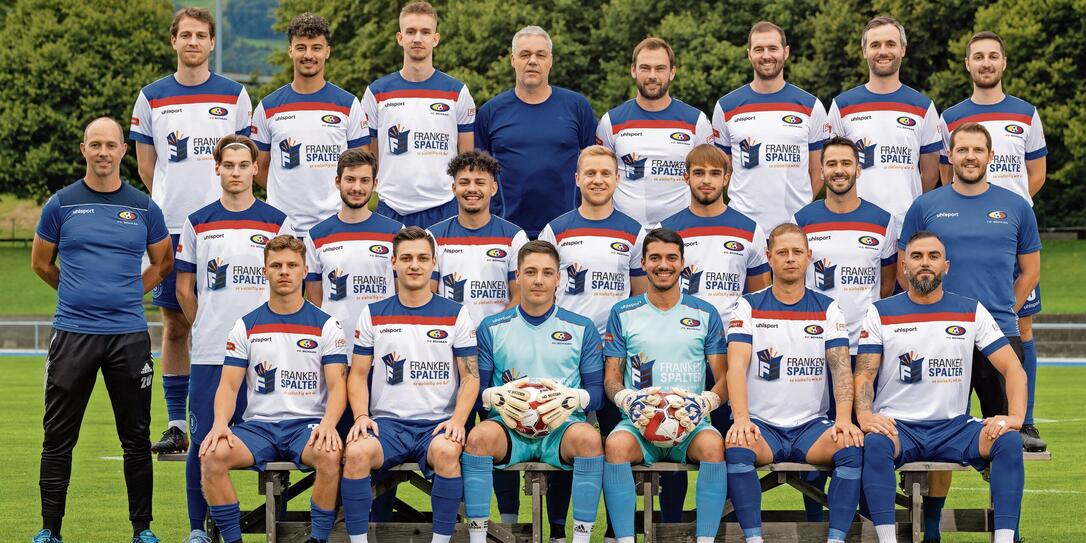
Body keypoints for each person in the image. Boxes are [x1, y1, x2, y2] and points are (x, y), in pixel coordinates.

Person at [31, 117, 173, 543]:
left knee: (136, 438)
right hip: (73, 334)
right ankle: (49, 531)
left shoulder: (144, 207)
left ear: (123, 151)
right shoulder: (61, 203)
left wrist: (130, 292)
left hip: (128, 336)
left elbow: (162, 263)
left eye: (111, 145)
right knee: (58, 438)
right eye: (96, 145)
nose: (104, 152)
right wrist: (77, 293)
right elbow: (40, 263)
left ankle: (142, 530)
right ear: (84, 149)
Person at [899, 122, 1040, 542]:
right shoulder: (927, 205)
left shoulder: (1016, 206)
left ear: (990, 156)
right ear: (951, 156)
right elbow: (909, 271)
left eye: (978, 150)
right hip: (938, 338)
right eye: (962, 150)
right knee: (939, 432)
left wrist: (995, 319)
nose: (970, 156)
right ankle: (932, 531)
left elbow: (1030, 272)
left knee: (1003, 439)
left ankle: (1006, 530)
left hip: (998, 338)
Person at [130, 7, 253, 453]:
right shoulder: (151, 97)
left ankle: (252, 411)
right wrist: (175, 206)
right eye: (186, 35)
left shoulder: (235, 95)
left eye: (201, 35)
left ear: (212, 43)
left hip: (230, 226)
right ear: (174, 42)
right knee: (176, 324)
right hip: (173, 228)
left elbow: (248, 157)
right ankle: (178, 423)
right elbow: (148, 167)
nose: (193, 42)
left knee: (240, 319)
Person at [856, 231, 1027, 543]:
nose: (925, 263)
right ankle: (887, 540)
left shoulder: (970, 310)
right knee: (876, 443)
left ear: (946, 266)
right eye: (917, 257)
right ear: (904, 266)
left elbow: (1012, 367)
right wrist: (866, 416)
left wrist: (1014, 417)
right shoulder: (880, 312)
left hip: (954, 427)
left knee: (1009, 442)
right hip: (900, 426)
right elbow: (865, 374)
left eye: (933, 257)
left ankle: (1004, 539)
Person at [174, 135, 292, 543]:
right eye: (230, 165)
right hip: (211, 354)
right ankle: (197, 529)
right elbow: (185, 289)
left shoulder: (278, 221)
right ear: (218, 168)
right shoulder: (197, 221)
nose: (237, 172)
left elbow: (286, 282)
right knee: (205, 442)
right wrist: (208, 325)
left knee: (272, 441)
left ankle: (278, 526)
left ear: (256, 170)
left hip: (268, 354)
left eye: (245, 165)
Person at [939, 30, 1048, 453]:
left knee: (1019, 325)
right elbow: (942, 175)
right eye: (978, 57)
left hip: (1010, 234)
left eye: (993, 57)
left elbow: (1035, 174)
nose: (986, 63)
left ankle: (1028, 419)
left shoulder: (1025, 113)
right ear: (967, 64)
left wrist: (1008, 214)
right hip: (968, 229)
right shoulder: (950, 115)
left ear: (1003, 63)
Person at [199, 235, 347, 543]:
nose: (284, 271)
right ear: (264, 271)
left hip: (305, 427)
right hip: (259, 429)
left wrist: (329, 425)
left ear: (305, 270)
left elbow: (337, 385)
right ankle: (233, 539)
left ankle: (318, 539)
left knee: (330, 453)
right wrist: (220, 425)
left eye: (292, 265)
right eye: (276, 265)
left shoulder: (326, 325)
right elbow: (228, 385)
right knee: (212, 455)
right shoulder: (246, 325)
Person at [724, 223, 863, 543]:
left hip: (811, 426)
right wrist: (742, 418)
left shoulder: (827, 307)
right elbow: (736, 365)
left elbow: (842, 367)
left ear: (809, 257)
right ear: (769, 257)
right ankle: (754, 538)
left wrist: (843, 419)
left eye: (797, 252)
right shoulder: (748, 305)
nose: (790, 259)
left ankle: (836, 538)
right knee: (736, 446)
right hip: (762, 425)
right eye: (782, 252)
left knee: (851, 446)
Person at [340, 226, 479, 543]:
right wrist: (362, 416)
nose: (414, 265)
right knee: (358, 453)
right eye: (406, 258)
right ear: (393, 263)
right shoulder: (373, 314)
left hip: (436, 424)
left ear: (433, 263)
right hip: (387, 424)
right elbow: (358, 374)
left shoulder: (455, 314)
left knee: (446, 453)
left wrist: (458, 420)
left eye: (421, 258)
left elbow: (470, 375)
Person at [462, 240, 606, 543]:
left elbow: (597, 393)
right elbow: (477, 392)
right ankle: (481, 538)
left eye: (546, 272)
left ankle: (576, 538)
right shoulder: (492, 327)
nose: (538, 280)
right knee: (478, 438)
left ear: (558, 279)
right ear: (517, 277)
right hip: (510, 425)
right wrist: (492, 397)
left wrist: (576, 398)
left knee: (590, 440)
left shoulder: (581, 327)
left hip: (562, 427)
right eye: (530, 272)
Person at [538, 145, 647, 539]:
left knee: (623, 443)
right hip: (567, 353)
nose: (598, 180)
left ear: (617, 179)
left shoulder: (635, 231)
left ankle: (620, 529)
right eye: (590, 173)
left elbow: (639, 298)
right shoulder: (556, 230)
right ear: (577, 179)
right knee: (566, 438)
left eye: (605, 173)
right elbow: (543, 291)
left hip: (620, 359)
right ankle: (553, 529)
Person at [601, 227, 729, 543]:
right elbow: (611, 378)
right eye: (655, 258)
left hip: (692, 423)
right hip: (639, 423)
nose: (663, 265)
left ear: (682, 263)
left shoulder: (705, 312)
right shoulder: (622, 312)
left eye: (671, 258)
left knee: (714, 447)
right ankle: (625, 539)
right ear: (643, 263)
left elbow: (725, 378)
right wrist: (626, 399)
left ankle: (705, 540)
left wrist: (707, 403)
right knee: (615, 447)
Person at [252, 12, 370, 237]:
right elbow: (260, 168)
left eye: (316, 47)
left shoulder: (348, 104)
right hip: (282, 227)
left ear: (327, 51)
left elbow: (359, 166)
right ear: (290, 51)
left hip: (335, 225)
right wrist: (288, 190)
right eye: (301, 47)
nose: (308, 55)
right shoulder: (268, 107)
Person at [474, 26, 597, 237]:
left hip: (569, 231)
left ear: (550, 60)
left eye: (540, 55)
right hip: (506, 231)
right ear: (513, 60)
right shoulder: (490, 112)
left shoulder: (577, 107)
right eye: (525, 54)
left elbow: (594, 167)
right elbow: (478, 176)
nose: (533, 61)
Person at [361, 1, 475, 227]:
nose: (417, 38)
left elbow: (467, 158)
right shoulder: (376, 93)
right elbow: (368, 156)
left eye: (425, 32)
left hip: (445, 207)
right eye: (410, 31)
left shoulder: (457, 92)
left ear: (436, 38)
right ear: (399, 37)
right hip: (391, 207)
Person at [711, 21, 829, 233]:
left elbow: (817, 172)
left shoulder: (811, 106)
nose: (766, 55)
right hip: (742, 229)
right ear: (749, 54)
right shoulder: (726, 107)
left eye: (772, 48)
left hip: (796, 230)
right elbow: (723, 174)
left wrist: (797, 209)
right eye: (759, 49)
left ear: (786, 52)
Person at [827, 16, 941, 228]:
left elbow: (931, 172)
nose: (883, 51)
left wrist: (908, 204)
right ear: (864, 52)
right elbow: (831, 170)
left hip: (906, 226)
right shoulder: (842, 105)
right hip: (854, 225)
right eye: (875, 45)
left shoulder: (923, 106)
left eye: (891, 44)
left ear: (903, 50)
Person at [793, 136, 898, 357]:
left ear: (858, 170)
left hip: (868, 344)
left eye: (846, 163)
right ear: (821, 172)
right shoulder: (802, 220)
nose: (839, 170)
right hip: (816, 342)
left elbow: (886, 285)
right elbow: (795, 282)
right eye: (831, 164)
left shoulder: (882, 220)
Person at [596, 37, 714, 226]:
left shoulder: (696, 121)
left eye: (660, 68)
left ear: (672, 72)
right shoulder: (611, 122)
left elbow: (709, 181)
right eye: (645, 68)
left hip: (682, 232)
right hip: (626, 235)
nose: (652, 75)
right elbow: (601, 178)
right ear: (633, 70)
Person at [303, 149, 403, 352]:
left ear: (375, 184)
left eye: (364, 180)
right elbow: (315, 300)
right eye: (350, 179)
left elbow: (402, 292)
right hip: (334, 347)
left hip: (383, 346)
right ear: (338, 181)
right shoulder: (316, 235)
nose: (357, 187)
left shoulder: (395, 232)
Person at [428, 150, 529, 326]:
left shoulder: (515, 237)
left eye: (480, 182)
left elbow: (520, 296)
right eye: (464, 182)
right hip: (449, 337)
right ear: (454, 188)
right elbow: (427, 296)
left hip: (499, 337)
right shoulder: (433, 237)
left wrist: (492, 330)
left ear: (493, 188)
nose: (472, 189)